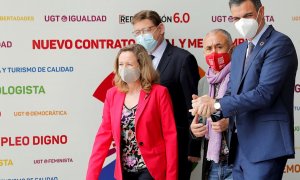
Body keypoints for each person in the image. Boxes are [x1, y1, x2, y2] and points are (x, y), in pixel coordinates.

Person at [190, 0, 298, 179]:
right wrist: (206, 109)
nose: (242, 22)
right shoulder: (240, 50)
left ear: (261, 12)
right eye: (236, 18)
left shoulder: (279, 44)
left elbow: (264, 94)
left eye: (247, 15)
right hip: (239, 147)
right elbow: (232, 93)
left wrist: (216, 103)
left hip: (265, 145)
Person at [86, 44, 178, 180]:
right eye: (121, 64)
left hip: (151, 170)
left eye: (129, 64)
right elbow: (103, 136)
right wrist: (91, 176)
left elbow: (170, 137)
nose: (124, 69)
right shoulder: (112, 95)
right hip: (124, 172)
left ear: (141, 66)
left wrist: (171, 177)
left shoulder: (159, 93)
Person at [131, 10, 201, 180]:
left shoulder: (183, 59)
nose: (142, 36)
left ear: (161, 28)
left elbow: (193, 107)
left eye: (146, 31)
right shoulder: (135, 62)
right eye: (137, 33)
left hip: (175, 148)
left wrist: (193, 148)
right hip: (143, 151)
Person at [190, 29, 234, 180]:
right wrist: (194, 130)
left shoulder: (241, 77)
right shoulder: (203, 82)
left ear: (231, 49)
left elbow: (251, 111)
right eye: (208, 49)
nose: (213, 52)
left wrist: (229, 123)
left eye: (219, 46)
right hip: (213, 164)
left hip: (237, 162)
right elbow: (203, 120)